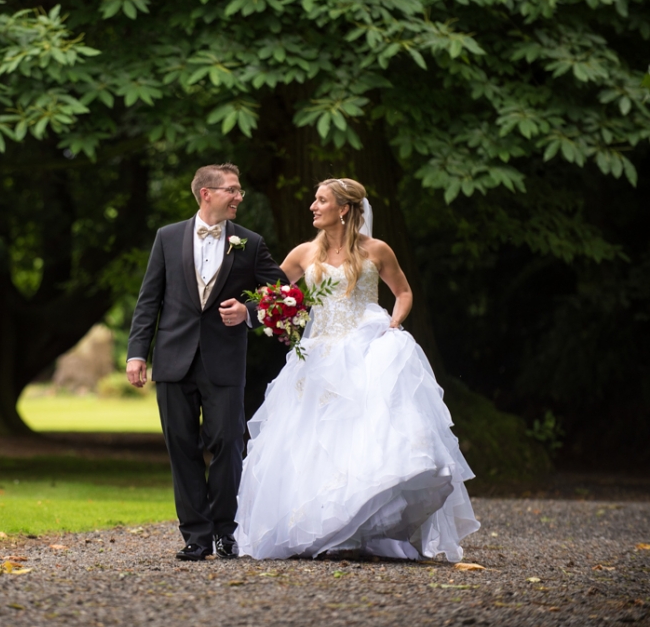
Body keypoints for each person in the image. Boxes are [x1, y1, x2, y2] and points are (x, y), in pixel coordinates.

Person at [235, 178, 480, 561]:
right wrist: (278, 313)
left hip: (367, 347)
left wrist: (395, 324)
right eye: (314, 200)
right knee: (314, 438)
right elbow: (272, 294)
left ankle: (365, 527)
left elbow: (403, 292)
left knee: (366, 433)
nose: (313, 207)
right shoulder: (303, 253)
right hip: (319, 356)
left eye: (321, 200)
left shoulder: (376, 250)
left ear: (343, 209)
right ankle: (321, 528)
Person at [126, 163, 287, 561]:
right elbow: (150, 300)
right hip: (173, 360)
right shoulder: (167, 237)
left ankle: (225, 532)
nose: (239, 197)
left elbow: (283, 294)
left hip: (225, 361)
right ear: (207, 194)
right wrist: (136, 352)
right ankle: (195, 536)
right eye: (232, 190)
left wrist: (248, 312)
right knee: (181, 447)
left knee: (228, 445)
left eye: (240, 190)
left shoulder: (249, 242)